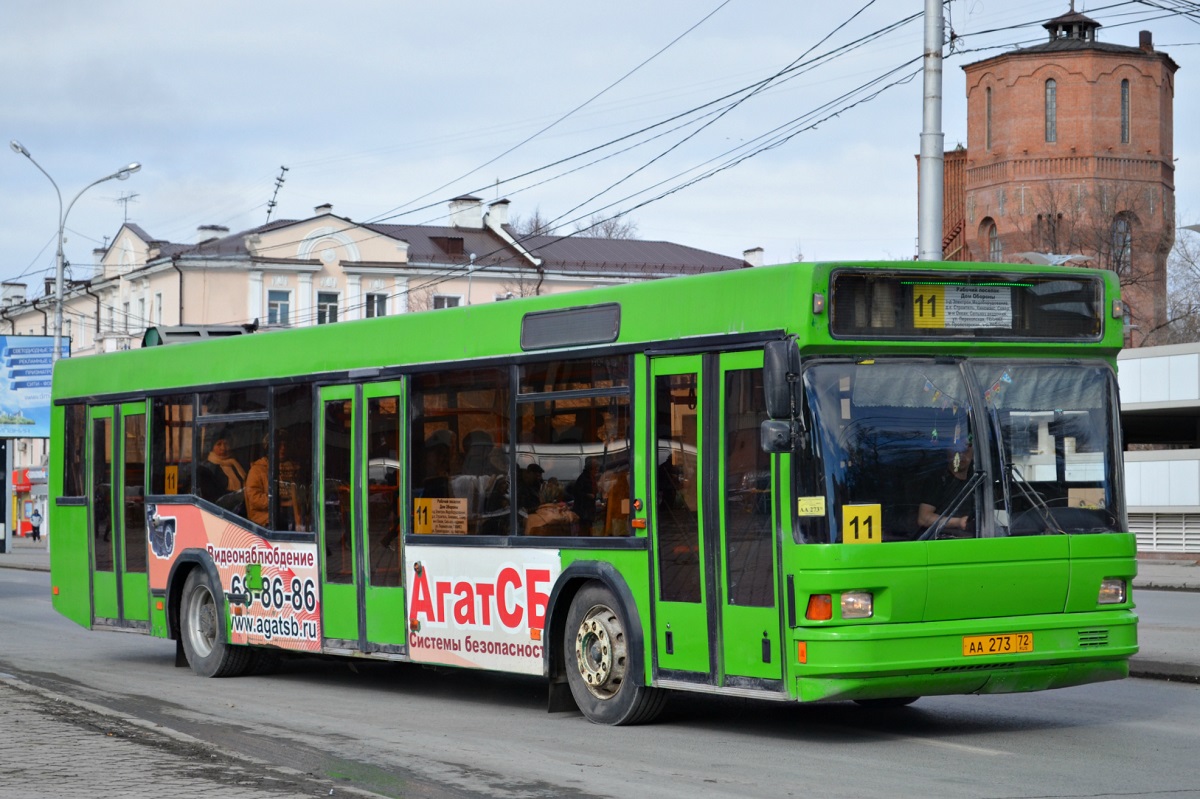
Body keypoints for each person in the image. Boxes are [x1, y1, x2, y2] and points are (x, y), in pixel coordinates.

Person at [918, 442, 975, 536]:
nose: (960, 455)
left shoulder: (978, 480)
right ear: (948, 453)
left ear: (973, 453)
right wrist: (958, 522)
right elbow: (924, 518)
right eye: (956, 450)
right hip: (940, 541)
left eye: (965, 451)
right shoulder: (938, 480)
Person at [199, 430, 246, 502]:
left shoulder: (236, 464)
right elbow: (212, 494)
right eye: (219, 444)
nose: (223, 448)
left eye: (226, 444)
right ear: (212, 447)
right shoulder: (206, 468)